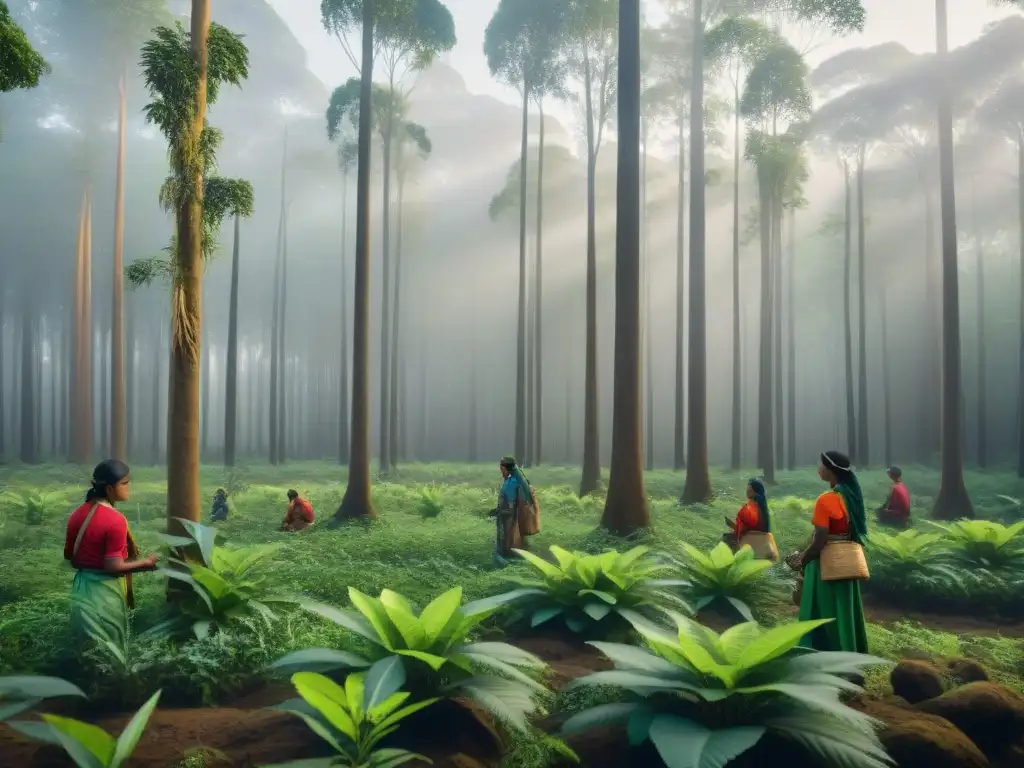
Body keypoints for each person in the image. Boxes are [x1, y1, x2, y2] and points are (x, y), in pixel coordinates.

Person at [64, 460, 159, 646]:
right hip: (105, 593)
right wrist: (147, 564)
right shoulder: (115, 520)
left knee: (84, 644)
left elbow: (69, 555)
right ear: (109, 489)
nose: (128, 487)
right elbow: (113, 566)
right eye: (124, 483)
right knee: (108, 644)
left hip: (81, 590)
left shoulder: (78, 513)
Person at [788, 450, 869, 653]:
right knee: (844, 611)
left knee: (821, 610)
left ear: (828, 470)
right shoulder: (851, 496)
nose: (818, 468)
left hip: (825, 564)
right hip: (847, 562)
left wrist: (802, 559)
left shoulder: (826, 499)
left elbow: (820, 539)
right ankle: (849, 651)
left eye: (820, 465)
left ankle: (818, 652)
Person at [488, 456, 533, 566]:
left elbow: (511, 507)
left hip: (510, 520)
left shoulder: (511, 482)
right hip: (509, 518)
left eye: (501, 469)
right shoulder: (513, 479)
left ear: (503, 468)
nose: (500, 471)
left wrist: (498, 512)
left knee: (509, 546)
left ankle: (509, 566)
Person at [723, 478, 772, 547]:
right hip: (761, 540)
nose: (747, 492)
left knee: (726, 537)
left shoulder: (751, 508)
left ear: (755, 492)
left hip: (752, 542)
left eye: (749, 490)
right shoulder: (762, 507)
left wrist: (732, 525)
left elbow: (744, 531)